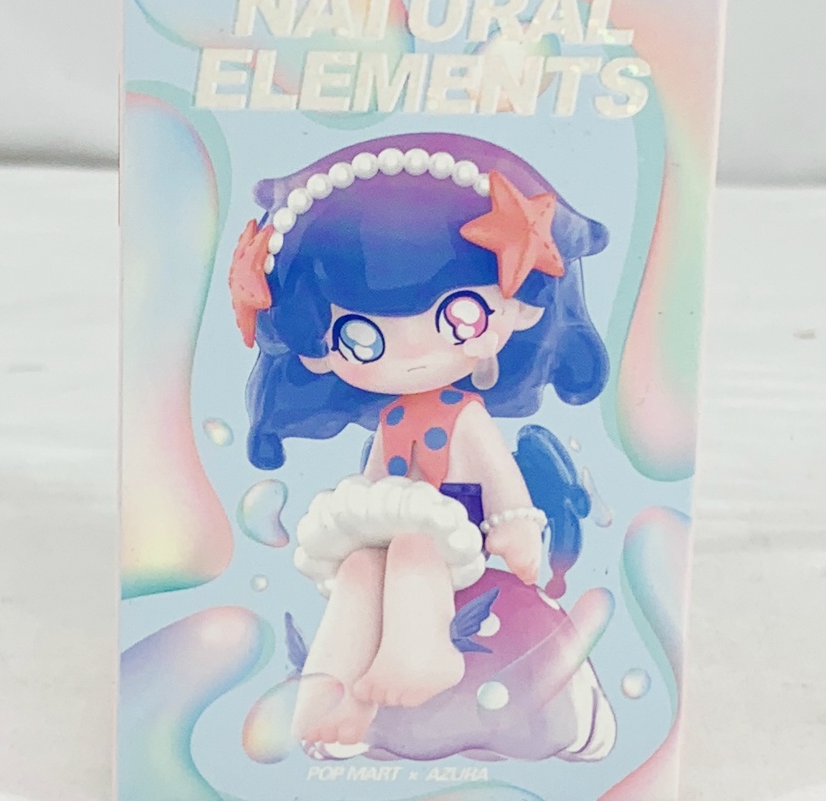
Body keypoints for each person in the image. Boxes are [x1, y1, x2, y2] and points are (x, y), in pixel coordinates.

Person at [229, 134, 609, 749]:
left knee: (412, 550)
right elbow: (377, 483)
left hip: (459, 531)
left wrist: (515, 526)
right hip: (399, 521)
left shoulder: (466, 414)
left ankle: (423, 654)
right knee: (359, 569)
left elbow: (500, 479)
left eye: (460, 316)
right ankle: (333, 700)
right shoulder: (391, 419)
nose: (410, 354)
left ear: (518, 309)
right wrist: (360, 519)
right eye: (361, 338)